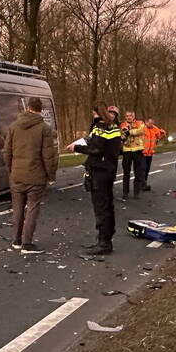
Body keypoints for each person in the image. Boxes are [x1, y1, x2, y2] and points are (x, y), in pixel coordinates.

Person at [3, 97, 58, 253]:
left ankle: (16, 240)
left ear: (27, 107)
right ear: (40, 109)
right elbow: (48, 156)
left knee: (17, 208)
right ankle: (27, 243)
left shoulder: (13, 127)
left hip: (17, 175)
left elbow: (6, 152)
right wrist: (51, 176)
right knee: (32, 208)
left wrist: (11, 170)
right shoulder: (44, 129)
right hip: (36, 176)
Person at [67, 104, 123, 255]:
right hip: (109, 170)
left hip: (99, 172)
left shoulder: (101, 127)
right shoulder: (114, 127)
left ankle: (103, 243)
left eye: (93, 114)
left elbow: (96, 149)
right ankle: (105, 240)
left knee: (101, 208)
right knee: (107, 206)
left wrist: (76, 148)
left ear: (97, 114)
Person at [119, 110, 146, 200]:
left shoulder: (140, 122)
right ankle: (125, 192)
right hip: (127, 150)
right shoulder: (123, 124)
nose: (128, 117)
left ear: (134, 116)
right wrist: (127, 132)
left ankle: (136, 192)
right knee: (126, 173)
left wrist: (130, 132)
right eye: (127, 116)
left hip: (138, 150)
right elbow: (122, 133)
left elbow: (141, 131)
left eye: (130, 116)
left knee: (137, 172)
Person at [140, 117, 167, 191]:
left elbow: (159, 137)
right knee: (143, 168)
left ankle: (144, 182)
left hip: (150, 152)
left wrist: (163, 134)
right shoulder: (142, 128)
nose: (151, 124)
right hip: (142, 152)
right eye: (150, 123)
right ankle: (142, 184)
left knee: (147, 169)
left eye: (152, 123)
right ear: (146, 122)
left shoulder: (154, 128)